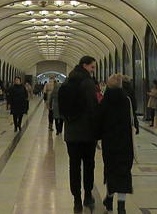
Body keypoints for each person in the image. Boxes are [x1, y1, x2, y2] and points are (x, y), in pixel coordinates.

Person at [62, 55, 99, 212]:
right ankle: (88, 196)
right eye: (92, 67)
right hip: (87, 132)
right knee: (89, 164)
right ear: (85, 65)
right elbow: (93, 107)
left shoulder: (68, 81)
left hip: (71, 132)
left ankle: (76, 199)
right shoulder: (88, 83)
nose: (93, 70)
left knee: (74, 166)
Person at [97, 74, 138, 213]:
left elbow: (100, 121)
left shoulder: (104, 101)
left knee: (111, 170)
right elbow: (133, 117)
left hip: (110, 142)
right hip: (125, 141)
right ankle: (121, 206)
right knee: (124, 171)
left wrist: (97, 138)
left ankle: (109, 199)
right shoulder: (126, 100)